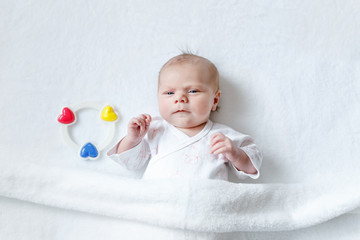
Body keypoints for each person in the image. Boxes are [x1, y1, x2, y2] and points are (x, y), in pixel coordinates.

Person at [107, 53, 262, 181]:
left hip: (204, 207)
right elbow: (130, 164)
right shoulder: (155, 130)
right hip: (160, 205)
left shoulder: (222, 136)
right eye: (169, 93)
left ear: (214, 100)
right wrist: (133, 139)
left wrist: (235, 154)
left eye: (193, 91)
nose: (180, 98)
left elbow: (252, 166)